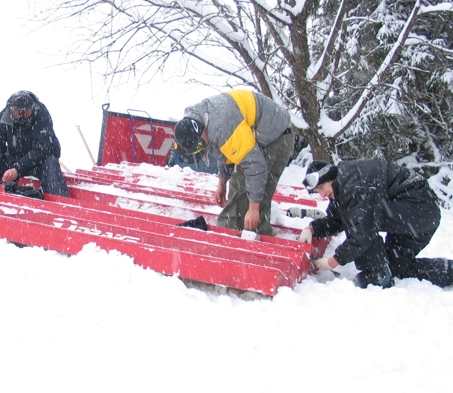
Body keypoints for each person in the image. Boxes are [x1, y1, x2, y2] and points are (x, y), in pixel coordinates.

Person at [299, 160, 453, 289]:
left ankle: (376, 273)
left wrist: (334, 261)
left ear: (329, 177)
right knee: (398, 266)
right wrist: (312, 229)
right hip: (418, 217)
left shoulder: (354, 186)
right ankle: (450, 271)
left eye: (321, 188)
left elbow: (362, 232)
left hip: (419, 211)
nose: (322, 194)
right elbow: (336, 219)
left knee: (362, 220)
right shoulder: (343, 185)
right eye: (317, 191)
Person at [174, 90, 294, 235]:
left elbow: (255, 165)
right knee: (243, 192)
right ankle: (240, 233)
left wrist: (254, 208)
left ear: (199, 130)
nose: (202, 149)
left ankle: (246, 239)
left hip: (276, 137)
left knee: (247, 190)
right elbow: (225, 151)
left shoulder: (221, 126)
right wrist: (222, 183)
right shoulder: (201, 118)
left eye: (200, 146)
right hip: (262, 132)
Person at [0, 91, 70, 197]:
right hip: (15, 159)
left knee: (51, 164)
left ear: (32, 108)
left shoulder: (41, 114)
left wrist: (18, 169)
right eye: (18, 112)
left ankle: (59, 202)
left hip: (38, 162)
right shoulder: (3, 117)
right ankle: (14, 190)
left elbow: (43, 148)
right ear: (11, 110)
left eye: (26, 112)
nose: (22, 116)